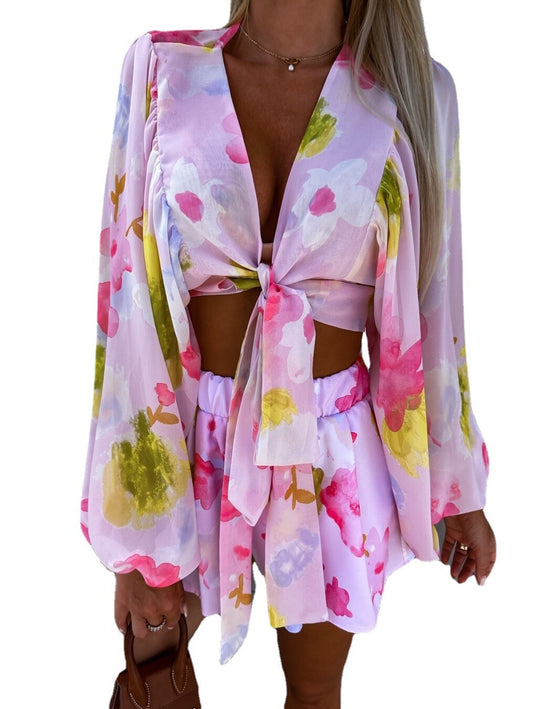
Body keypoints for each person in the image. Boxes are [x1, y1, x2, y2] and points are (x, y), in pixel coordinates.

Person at [81, 0, 496, 706]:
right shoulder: (160, 70)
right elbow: (124, 311)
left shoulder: (418, 93)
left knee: (314, 694)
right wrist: (138, 527)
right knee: (157, 679)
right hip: (184, 437)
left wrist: (456, 486)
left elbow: (437, 301)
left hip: (331, 451)